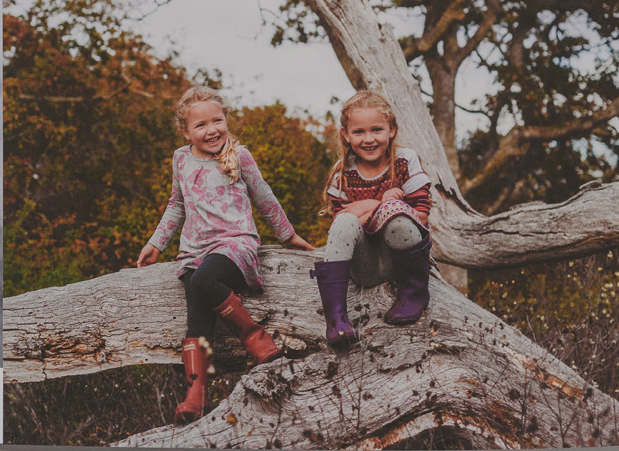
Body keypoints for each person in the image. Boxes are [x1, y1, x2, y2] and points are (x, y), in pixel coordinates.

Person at [136, 86, 315, 424]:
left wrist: (288, 234)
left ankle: (253, 337)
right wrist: (156, 242)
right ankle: (196, 393)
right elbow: (176, 205)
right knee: (197, 316)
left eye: (217, 121)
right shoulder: (180, 159)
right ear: (186, 131)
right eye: (201, 125)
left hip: (236, 244)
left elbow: (264, 196)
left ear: (226, 121)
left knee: (205, 280)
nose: (211, 130)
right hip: (194, 250)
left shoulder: (239, 154)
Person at [309, 91, 435, 344]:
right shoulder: (342, 175)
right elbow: (341, 223)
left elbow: (420, 216)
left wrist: (373, 210)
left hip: (402, 264)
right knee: (349, 221)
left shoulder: (404, 161)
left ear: (391, 130)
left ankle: (414, 296)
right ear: (345, 134)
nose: (369, 139)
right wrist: (378, 203)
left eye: (376, 130)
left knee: (397, 217)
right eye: (359, 132)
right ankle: (336, 320)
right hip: (363, 266)